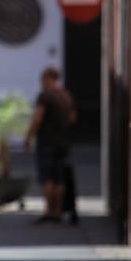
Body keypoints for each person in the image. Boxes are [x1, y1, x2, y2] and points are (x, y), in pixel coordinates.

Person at [24, 67, 77, 224]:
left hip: (46, 142)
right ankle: (58, 211)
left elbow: (37, 118)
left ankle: (50, 210)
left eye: (43, 79)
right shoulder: (66, 96)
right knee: (60, 178)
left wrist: (29, 137)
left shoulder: (45, 97)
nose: (41, 82)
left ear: (49, 79)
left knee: (47, 177)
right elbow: (73, 118)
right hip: (63, 142)